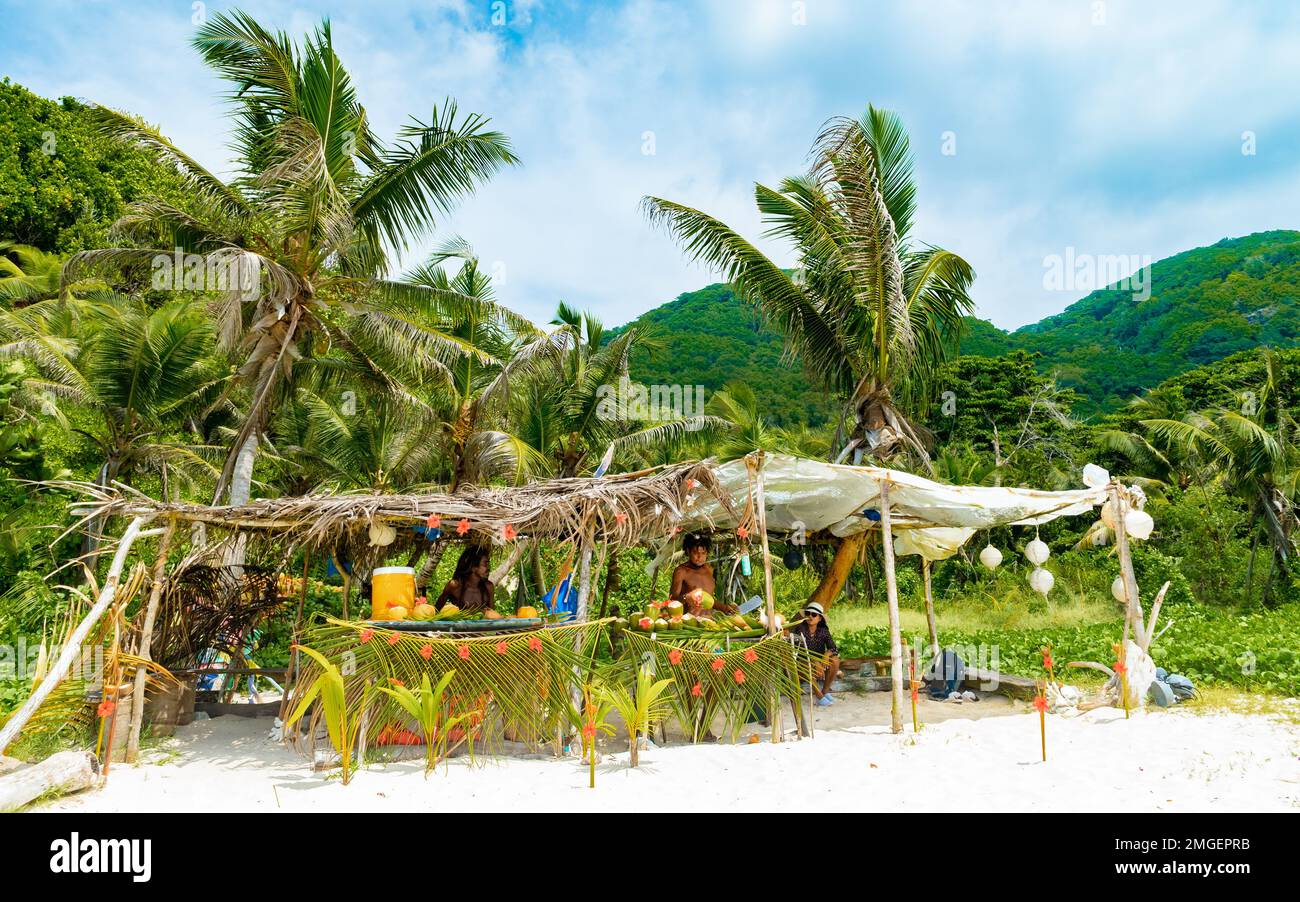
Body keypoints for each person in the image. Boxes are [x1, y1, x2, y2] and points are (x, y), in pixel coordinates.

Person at [669, 533, 737, 616]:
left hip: (708, 623)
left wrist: (724, 608)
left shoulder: (709, 570)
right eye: (695, 553)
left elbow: (708, 600)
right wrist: (686, 597)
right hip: (689, 623)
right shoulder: (681, 571)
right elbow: (672, 600)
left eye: (703, 553)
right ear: (688, 551)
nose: (699, 557)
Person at [789, 601, 840, 706]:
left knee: (835, 660)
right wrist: (813, 661)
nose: (810, 616)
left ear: (820, 618)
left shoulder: (823, 630)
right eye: (808, 613)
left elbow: (834, 648)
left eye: (814, 614)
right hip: (802, 664)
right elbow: (799, 651)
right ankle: (819, 696)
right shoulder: (800, 628)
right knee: (807, 665)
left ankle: (825, 691)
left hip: (820, 664)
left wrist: (826, 655)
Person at [436, 545, 500, 616]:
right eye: (485, 564)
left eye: (488, 564)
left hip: (482, 626)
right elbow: (436, 611)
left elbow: (493, 616)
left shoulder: (488, 587)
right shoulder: (455, 586)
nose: (489, 568)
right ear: (472, 566)